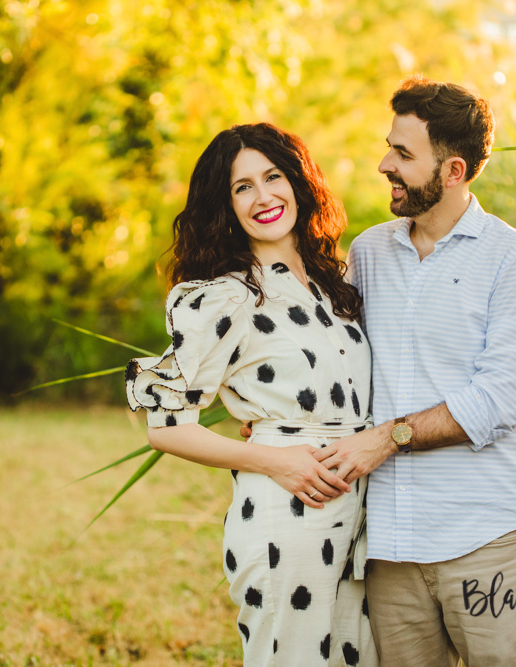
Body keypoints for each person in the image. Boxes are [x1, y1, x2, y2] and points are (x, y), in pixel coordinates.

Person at [313, 76, 516, 666]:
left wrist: (388, 437)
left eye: (403, 154)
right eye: (389, 147)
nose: (384, 164)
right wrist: (280, 421)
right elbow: (332, 357)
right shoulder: (369, 252)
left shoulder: (512, 258)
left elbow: (502, 396)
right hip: (391, 551)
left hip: (490, 540)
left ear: (453, 171)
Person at [125, 123, 378, 667]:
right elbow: (166, 427)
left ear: (299, 182)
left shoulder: (333, 284)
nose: (263, 196)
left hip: (361, 518)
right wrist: (273, 460)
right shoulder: (225, 297)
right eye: (243, 187)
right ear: (225, 205)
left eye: (273, 176)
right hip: (287, 513)